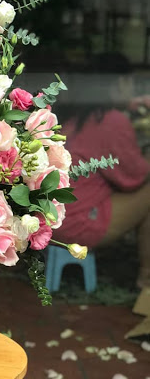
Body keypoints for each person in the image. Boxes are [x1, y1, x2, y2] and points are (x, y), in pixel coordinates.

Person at [52, 53, 150, 288]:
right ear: (118, 83)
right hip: (77, 225)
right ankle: (147, 279)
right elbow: (134, 178)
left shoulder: (78, 116)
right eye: (130, 83)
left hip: (52, 223)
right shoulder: (111, 121)